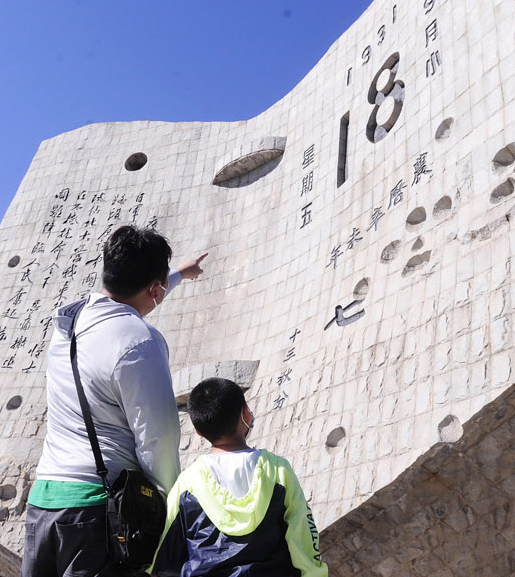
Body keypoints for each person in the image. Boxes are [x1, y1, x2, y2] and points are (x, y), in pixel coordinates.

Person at [21, 225, 207, 577]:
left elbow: (129, 300)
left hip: (43, 503)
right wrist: (166, 514)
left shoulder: (67, 324)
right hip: (96, 511)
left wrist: (178, 275)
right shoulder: (141, 342)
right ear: (155, 290)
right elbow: (157, 437)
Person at [150, 378, 328, 577]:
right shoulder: (277, 470)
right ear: (245, 414)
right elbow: (304, 540)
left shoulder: (187, 484)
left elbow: (165, 558)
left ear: (198, 431)